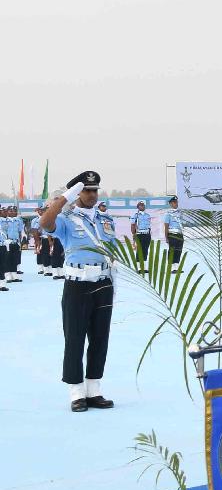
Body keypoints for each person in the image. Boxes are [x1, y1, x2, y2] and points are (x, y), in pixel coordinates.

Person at [40, 171, 117, 412]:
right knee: (74, 338)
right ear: (77, 193)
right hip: (77, 285)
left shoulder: (106, 220)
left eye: (95, 190)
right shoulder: (66, 219)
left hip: (103, 284)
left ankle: (93, 389)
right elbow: (45, 223)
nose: (92, 194)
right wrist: (64, 198)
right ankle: (76, 392)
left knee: (100, 338)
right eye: (86, 190)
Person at [164, 196, 184, 265]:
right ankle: (171, 267)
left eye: (177, 202)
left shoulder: (180, 213)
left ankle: (176, 267)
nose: (176, 204)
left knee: (178, 251)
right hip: (172, 234)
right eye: (174, 202)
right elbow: (166, 226)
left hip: (180, 234)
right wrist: (166, 237)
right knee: (172, 251)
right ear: (171, 204)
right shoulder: (168, 214)